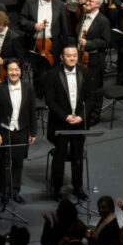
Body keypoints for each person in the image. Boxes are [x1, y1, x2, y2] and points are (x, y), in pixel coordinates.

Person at [45, 45, 89, 201]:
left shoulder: (85, 73)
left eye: (74, 55)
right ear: (61, 57)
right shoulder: (52, 74)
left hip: (78, 123)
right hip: (60, 123)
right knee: (59, 158)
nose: (72, 58)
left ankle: (78, 188)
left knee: (77, 157)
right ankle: (56, 190)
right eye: (69, 56)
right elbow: (50, 100)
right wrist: (65, 116)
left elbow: (91, 98)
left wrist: (82, 116)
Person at [0, 60, 37, 204]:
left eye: (16, 70)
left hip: (22, 130)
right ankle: (5, 191)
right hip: (5, 131)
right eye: (10, 70)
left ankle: (15, 191)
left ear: (20, 71)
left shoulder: (28, 87)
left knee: (18, 162)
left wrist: (33, 132)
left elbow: (32, 111)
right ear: (6, 72)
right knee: (4, 162)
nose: (14, 73)